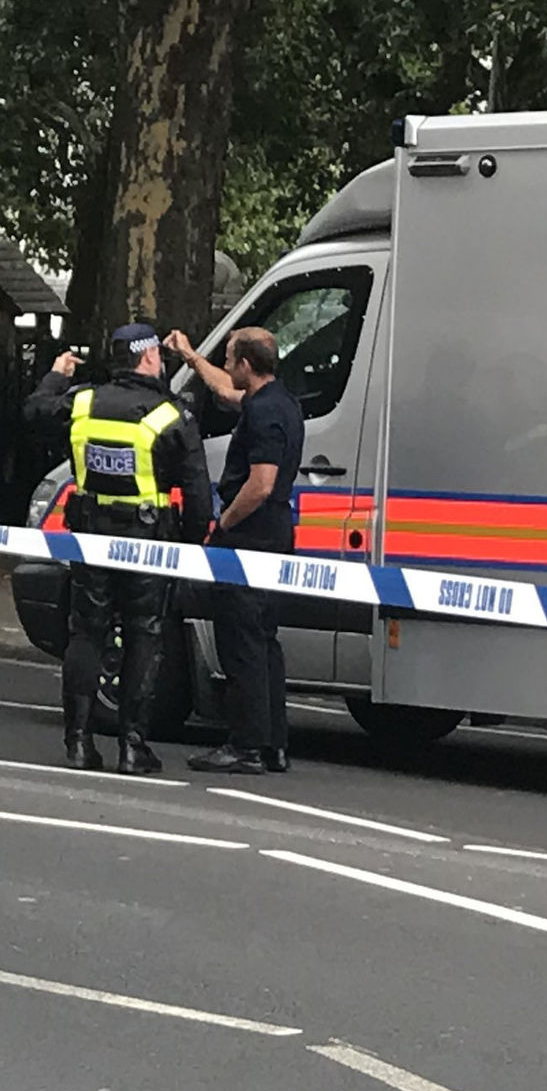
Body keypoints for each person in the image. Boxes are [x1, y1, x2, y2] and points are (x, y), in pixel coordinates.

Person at [24, 322, 211, 774]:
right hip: (147, 543)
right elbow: (200, 497)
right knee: (144, 635)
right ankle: (132, 746)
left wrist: (56, 374)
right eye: (157, 357)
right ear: (147, 357)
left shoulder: (84, 402)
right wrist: (187, 546)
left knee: (86, 634)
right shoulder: (171, 415)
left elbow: (34, 411)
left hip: (91, 538)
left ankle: (79, 743)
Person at [169, 325, 304, 774]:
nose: (227, 366)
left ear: (247, 364)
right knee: (264, 640)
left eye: (230, 358)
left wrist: (221, 525)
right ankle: (272, 744)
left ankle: (244, 745)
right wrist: (192, 358)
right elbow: (227, 393)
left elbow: (260, 484)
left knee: (240, 639)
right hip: (276, 532)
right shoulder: (280, 402)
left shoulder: (264, 414)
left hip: (250, 533)